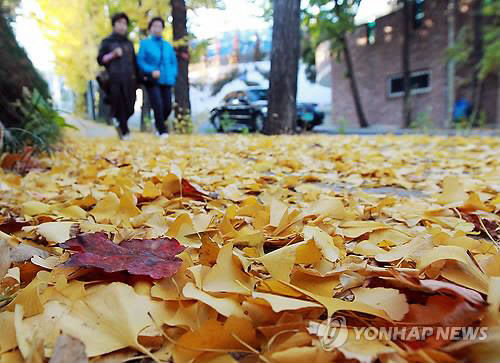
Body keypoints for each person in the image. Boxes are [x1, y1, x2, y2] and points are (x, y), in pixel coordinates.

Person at [97, 12, 137, 140]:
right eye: (119, 23)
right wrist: (112, 55)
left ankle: (120, 124)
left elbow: (134, 62)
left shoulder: (129, 43)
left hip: (129, 80)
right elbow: (100, 60)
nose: (122, 26)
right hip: (114, 79)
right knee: (119, 103)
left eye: (124, 23)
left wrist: (138, 78)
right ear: (114, 25)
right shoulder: (107, 42)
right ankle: (125, 131)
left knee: (130, 107)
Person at [137, 17, 178, 138]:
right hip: (153, 80)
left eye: (159, 26)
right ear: (150, 29)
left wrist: (173, 74)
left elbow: (173, 62)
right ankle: (162, 131)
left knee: (168, 107)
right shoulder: (145, 44)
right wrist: (150, 71)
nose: (157, 29)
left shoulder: (168, 46)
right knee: (157, 105)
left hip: (167, 79)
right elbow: (140, 61)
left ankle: (158, 123)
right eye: (154, 26)